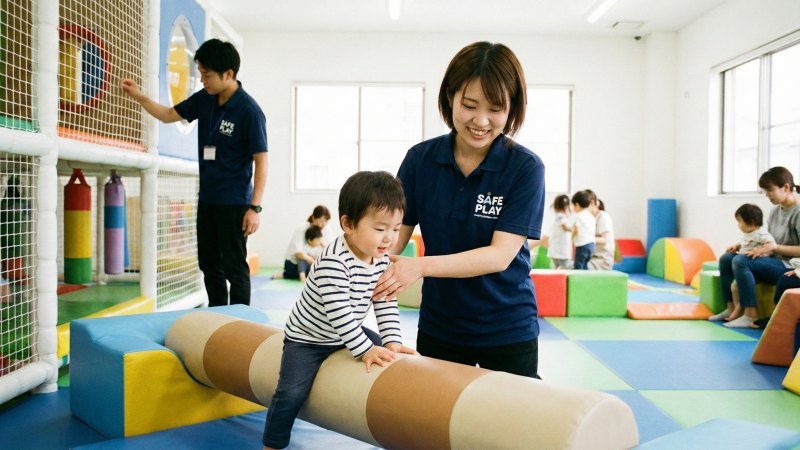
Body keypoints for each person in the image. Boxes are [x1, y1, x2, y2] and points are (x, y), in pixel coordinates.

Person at [372, 42, 546, 378]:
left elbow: (499, 256)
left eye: (496, 109)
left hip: (507, 327)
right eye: (469, 105)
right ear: (450, 97)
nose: (481, 121)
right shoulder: (420, 160)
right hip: (441, 327)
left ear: (512, 109)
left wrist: (419, 266)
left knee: (509, 423)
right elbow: (391, 236)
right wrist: (353, 272)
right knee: (437, 424)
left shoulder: (525, 167)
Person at [262, 171, 417, 450]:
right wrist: (365, 349)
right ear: (348, 224)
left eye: (396, 229)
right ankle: (272, 443)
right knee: (290, 392)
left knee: (389, 353)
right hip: (309, 338)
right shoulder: (335, 261)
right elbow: (340, 316)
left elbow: (385, 301)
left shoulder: (381, 260)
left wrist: (392, 340)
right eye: (380, 229)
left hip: (346, 331)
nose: (389, 239)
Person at [120, 39, 267, 307]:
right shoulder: (205, 99)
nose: (202, 80)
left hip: (234, 203)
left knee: (235, 267)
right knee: (209, 265)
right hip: (208, 199)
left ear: (229, 74)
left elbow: (262, 160)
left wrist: (255, 208)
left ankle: (242, 323)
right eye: (200, 72)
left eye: (207, 74)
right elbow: (167, 115)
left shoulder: (249, 111)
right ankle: (217, 317)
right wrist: (139, 96)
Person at [715, 167, 800, 328]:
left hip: (790, 265)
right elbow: (766, 238)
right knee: (727, 258)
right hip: (772, 260)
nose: (767, 195)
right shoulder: (775, 211)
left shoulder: (798, 211)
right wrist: (741, 245)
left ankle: (750, 314)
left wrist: (774, 248)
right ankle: (730, 308)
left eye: (770, 190)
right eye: (765, 191)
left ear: (786, 187)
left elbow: (779, 246)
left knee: (741, 261)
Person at [276, 205, 332, 282]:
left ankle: (289, 274)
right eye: (321, 221)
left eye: (326, 221)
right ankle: (287, 274)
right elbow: (298, 254)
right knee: (308, 270)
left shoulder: (326, 229)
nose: (323, 224)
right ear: (313, 218)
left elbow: (329, 251)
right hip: (294, 263)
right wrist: (314, 262)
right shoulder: (301, 228)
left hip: (311, 263)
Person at [585, 192, 615, 270]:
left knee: (575, 268)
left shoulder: (603, 216)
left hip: (602, 260)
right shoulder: (591, 219)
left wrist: (585, 238)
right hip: (593, 258)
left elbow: (605, 240)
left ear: (593, 203)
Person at [570, 191, 596, 270]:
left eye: (573, 206)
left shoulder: (578, 216)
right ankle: (586, 281)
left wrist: (572, 239)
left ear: (577, 205)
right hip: (591, 246)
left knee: (578, 266)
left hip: (582, 245)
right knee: (584, 266)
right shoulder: (591, 216)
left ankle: (577, 282)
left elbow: (576, 230)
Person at [547, 194, 572, 269]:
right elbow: (565, 227)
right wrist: (574, 230)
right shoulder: (560, 216)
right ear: (566, 207)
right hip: (561, 250)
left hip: (556, 250)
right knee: (565, 268)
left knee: (556, 267)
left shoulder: (558, 216)